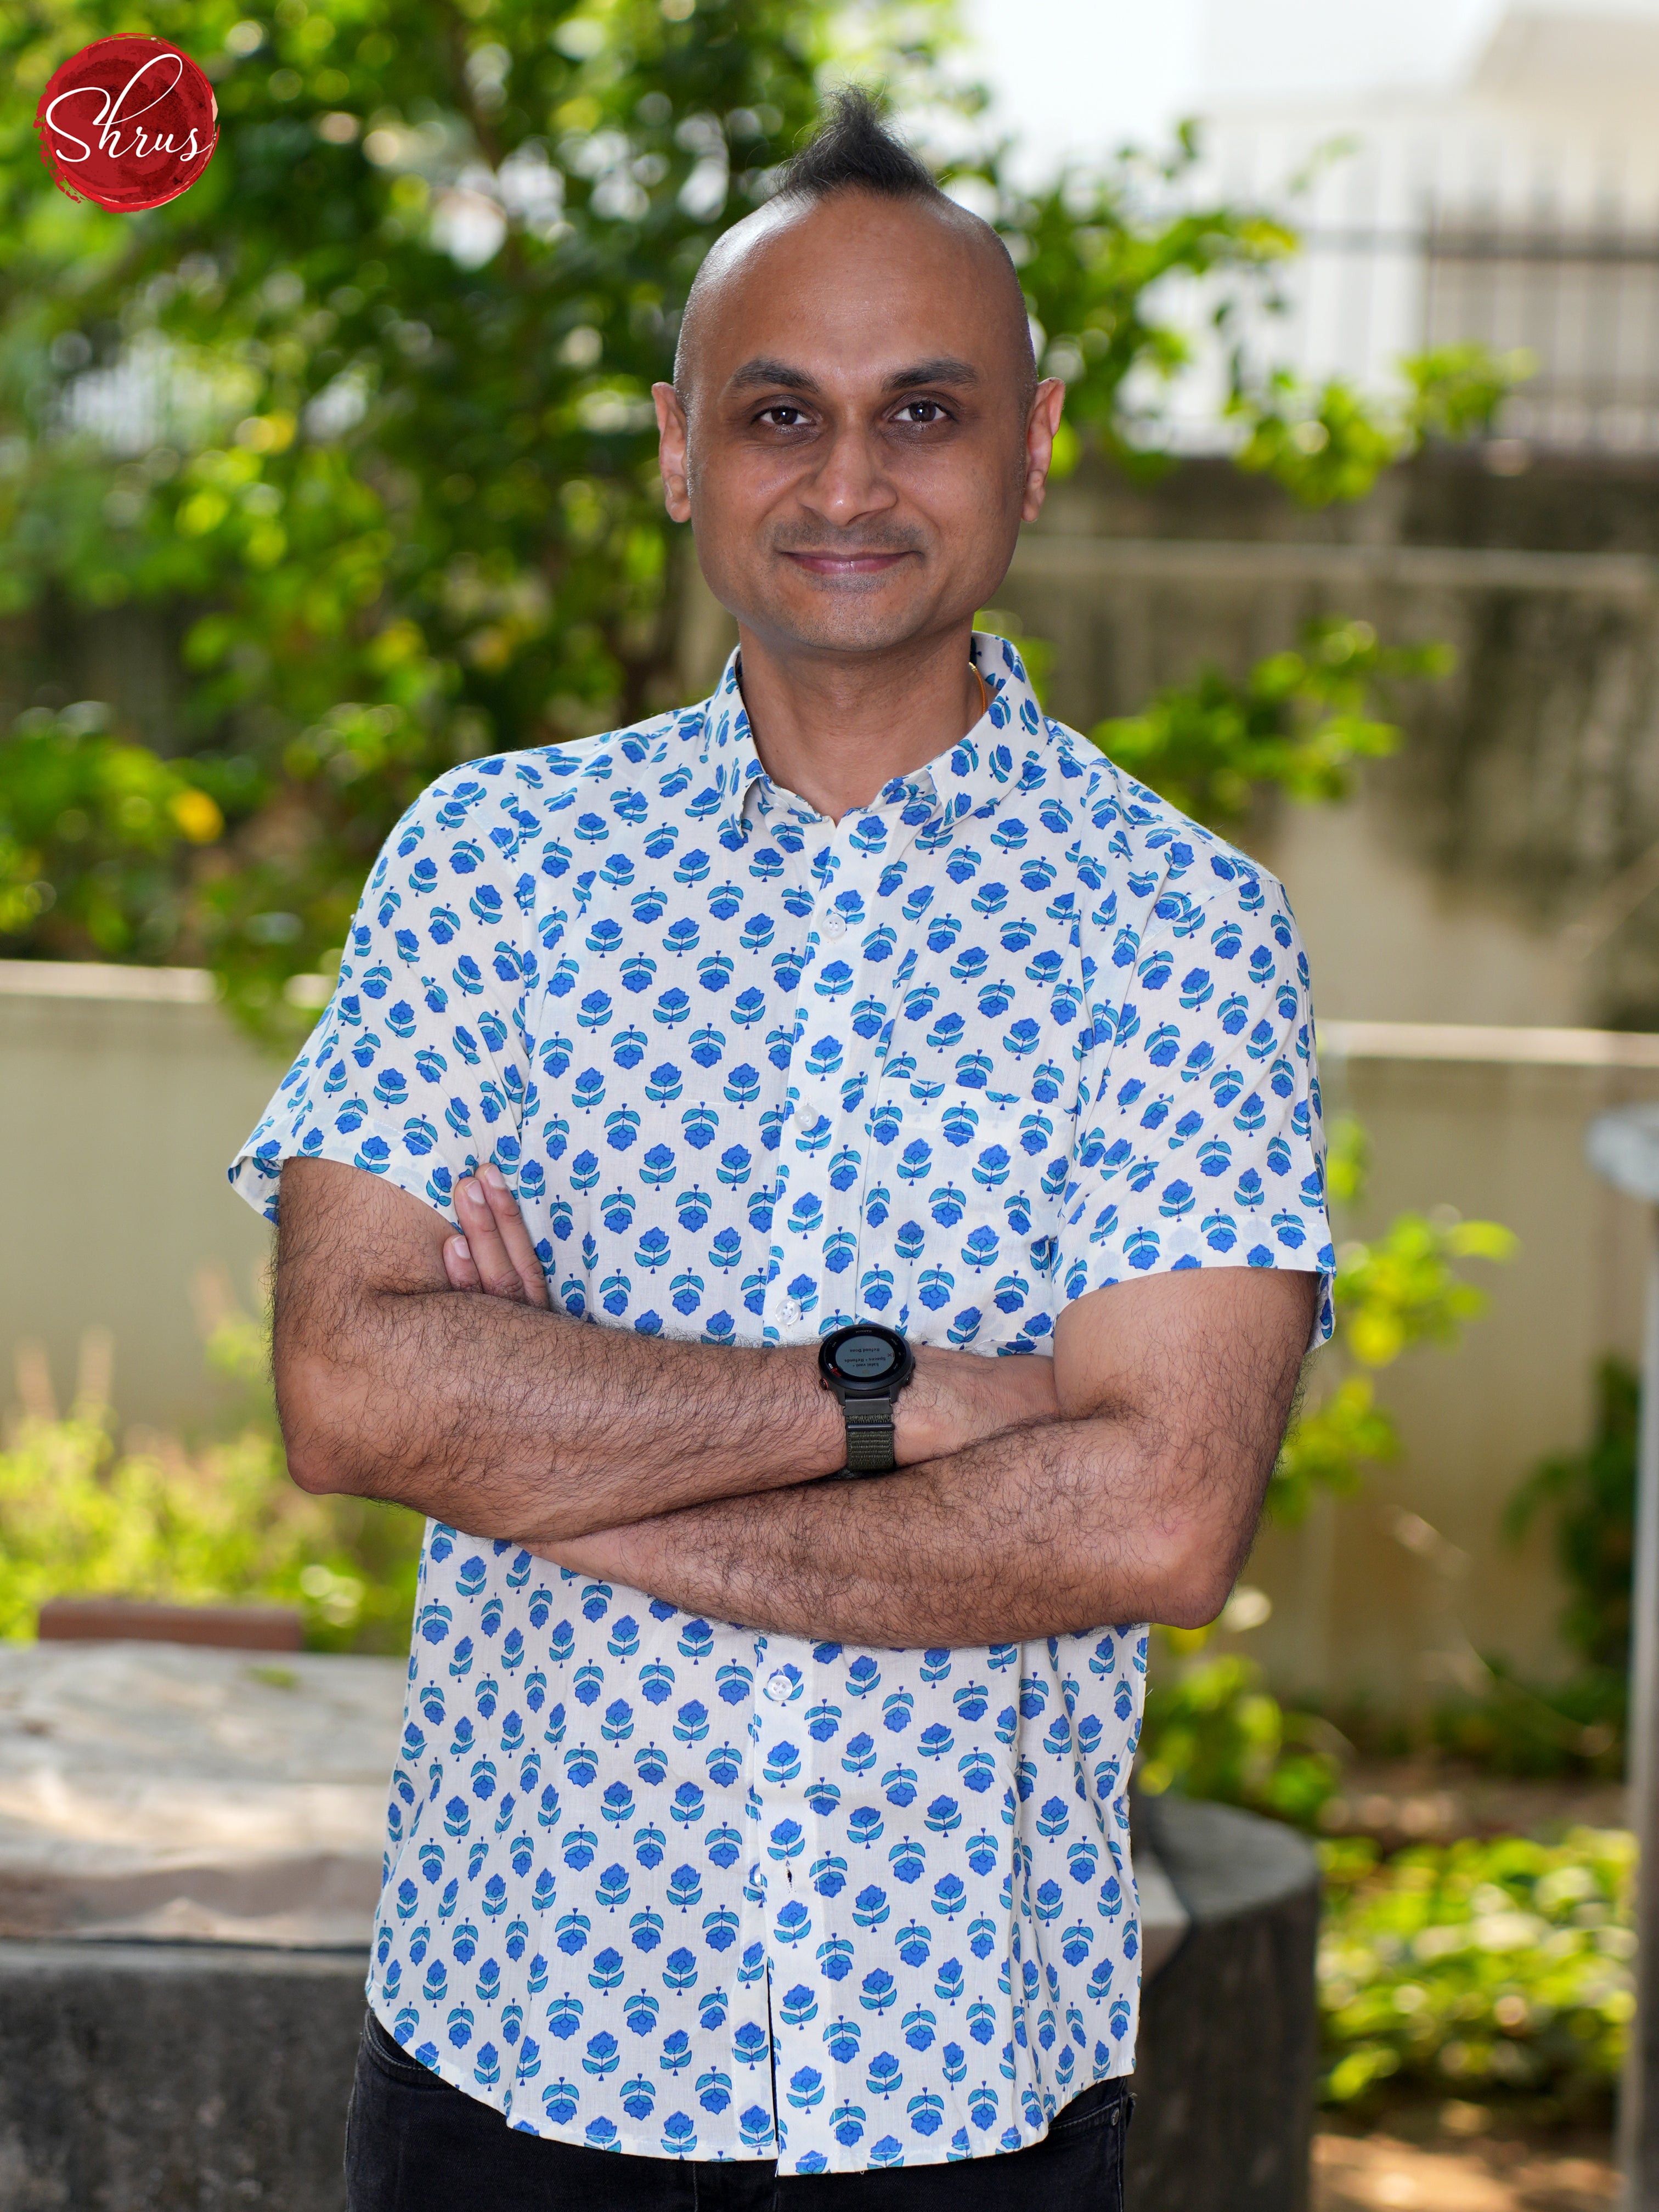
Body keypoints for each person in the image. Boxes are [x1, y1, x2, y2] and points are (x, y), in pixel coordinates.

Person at [233, 87, 1333, 2212]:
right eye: (776, 415)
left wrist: (562, 1471)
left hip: (962, 2109)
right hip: (506, 2077)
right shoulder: (491, 872)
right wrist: (894, 1404)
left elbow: (1156, 1520)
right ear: (675, 446)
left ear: (1037, 438)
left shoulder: (1185, 933)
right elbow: (350, 1387)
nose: (847, 479)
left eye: (923, 413)